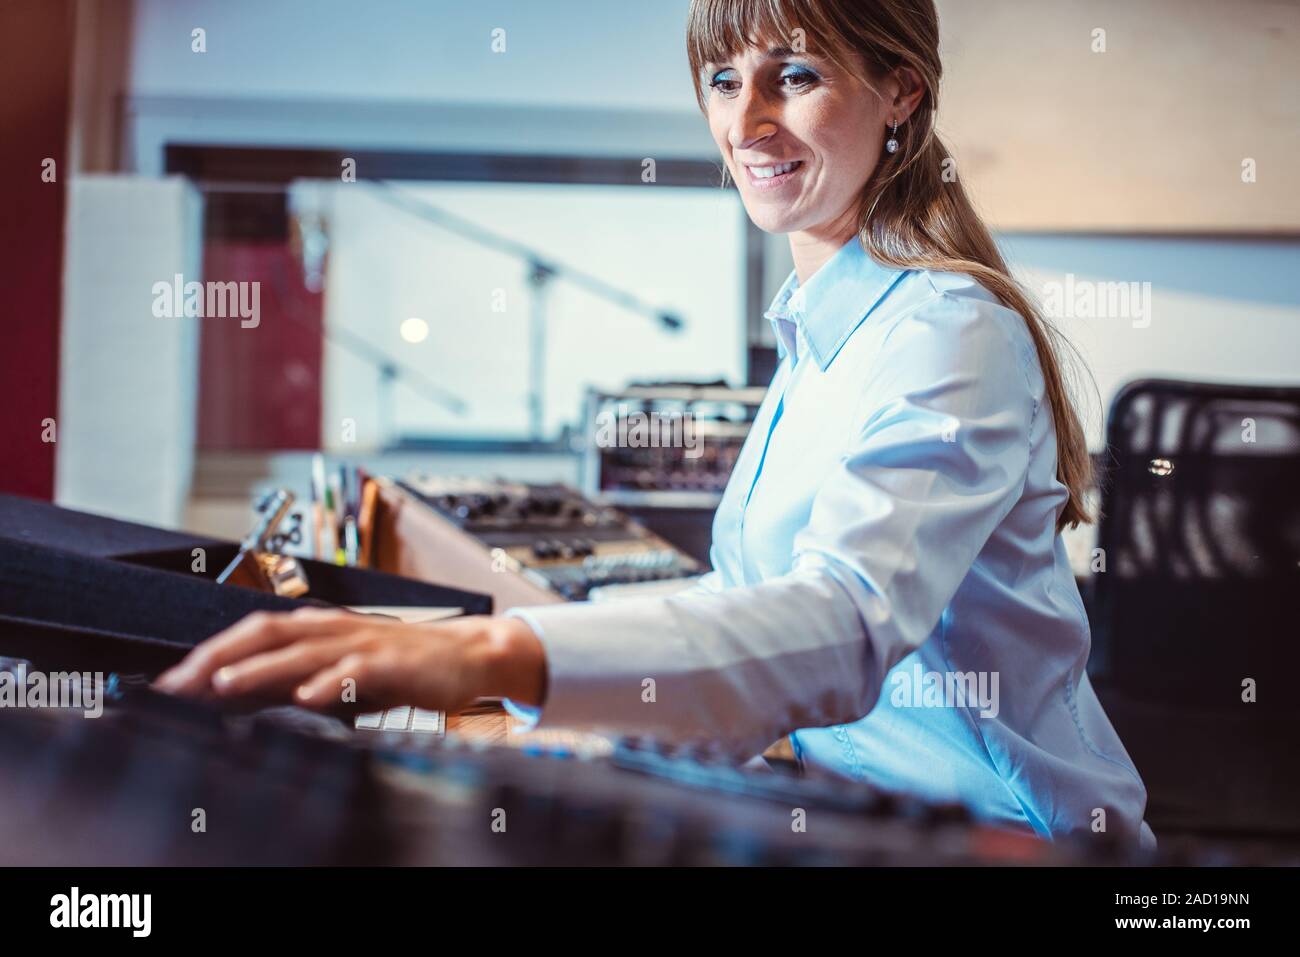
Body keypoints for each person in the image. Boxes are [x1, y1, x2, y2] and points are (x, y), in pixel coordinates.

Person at [157, 0, 1154, 849]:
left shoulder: (948, 331)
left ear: (900, 93)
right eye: (723, 80)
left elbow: (844, 620)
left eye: (794, 75)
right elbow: (748, 593)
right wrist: (537, 686)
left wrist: (495, 656)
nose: (747, 122)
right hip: (861, 808)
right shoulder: (820, 331)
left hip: (1006, 835)